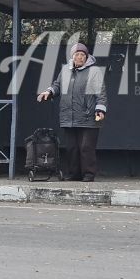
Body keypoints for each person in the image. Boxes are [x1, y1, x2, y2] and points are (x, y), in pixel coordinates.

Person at [37, 42, 108, 182]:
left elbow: (101, 93)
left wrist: (100, 109)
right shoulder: (65, 71)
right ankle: (74, 174)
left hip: (89, 117)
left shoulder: (94, 71)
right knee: (72, 148)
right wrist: (48, 92)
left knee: (86, 147)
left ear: (87, 57)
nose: (79, 57)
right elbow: (56, 86)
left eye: (82, 55)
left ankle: (88, 174)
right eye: (77, 54)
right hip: (68, 116)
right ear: (72, 56)